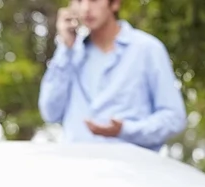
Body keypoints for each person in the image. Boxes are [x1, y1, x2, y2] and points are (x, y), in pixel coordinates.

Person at [38, 0, 186, 150]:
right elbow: (50, 113)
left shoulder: (147, 50)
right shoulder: (70, 55)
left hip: (132, 169)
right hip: (79, 168)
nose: (86, 8)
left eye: (94, 0)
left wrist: (126, 130)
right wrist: (66, 48)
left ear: (115, 3)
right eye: (79, 1)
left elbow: (173, 118)